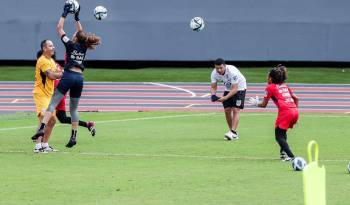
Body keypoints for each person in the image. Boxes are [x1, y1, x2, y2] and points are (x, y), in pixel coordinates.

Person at [31, 2, 101, 148]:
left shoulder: (70, 44)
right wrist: (76, 17)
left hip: (68, 76)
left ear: (75, 38)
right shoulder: (84, 46)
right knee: (74, 109)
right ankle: (74, 136)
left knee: (52, 104)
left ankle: (42, 128)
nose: (74, 34)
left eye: (75, 35)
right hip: (80, 79)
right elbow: (80, 32)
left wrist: (65, 13)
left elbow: (59, 28)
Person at [249, 65, 299, 161]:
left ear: (271, 79)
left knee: (278, 136)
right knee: (282, 132)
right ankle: (283, 154)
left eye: (268, 76)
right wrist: (295, 113)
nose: (266, 78)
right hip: (294, 110)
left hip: (285, 112)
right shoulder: (285, 86)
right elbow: (296, 98)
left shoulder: (270, 87)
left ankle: (292, 157)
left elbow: (264, 105)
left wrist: (256, 103)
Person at [52, 54, 96, 136]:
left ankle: (41, 136)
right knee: (63, 118)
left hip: (55, 93)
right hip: (61, 93)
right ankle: (87, 124)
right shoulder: (57, 65)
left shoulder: (49, 65)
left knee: (45, 113)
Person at [33, 40, 63, 153]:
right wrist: (63, 74)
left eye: (53, 45)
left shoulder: (51, 60)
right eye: (50, 46)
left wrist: (61, 73)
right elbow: (51, 75)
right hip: (41, 94)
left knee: (52, 121)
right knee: (43, 120)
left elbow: (58, 72)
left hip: (49, 95)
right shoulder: (43, 61)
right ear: (44, 48)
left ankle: (45, 144)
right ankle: (38, 146)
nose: (53, 47)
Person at [210, 58, 247, 140]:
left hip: (240, 88)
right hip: (228, 88)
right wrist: (213, 95)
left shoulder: (232, 71)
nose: (219, 70)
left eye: (221, 68)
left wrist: (224, 98)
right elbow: (213, 86)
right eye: (217, 68)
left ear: (225, 66)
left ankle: (233, 132)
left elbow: (235, 89)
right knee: (227, 110)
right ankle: (232, 132)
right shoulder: (214, 73)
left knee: (235, 109)